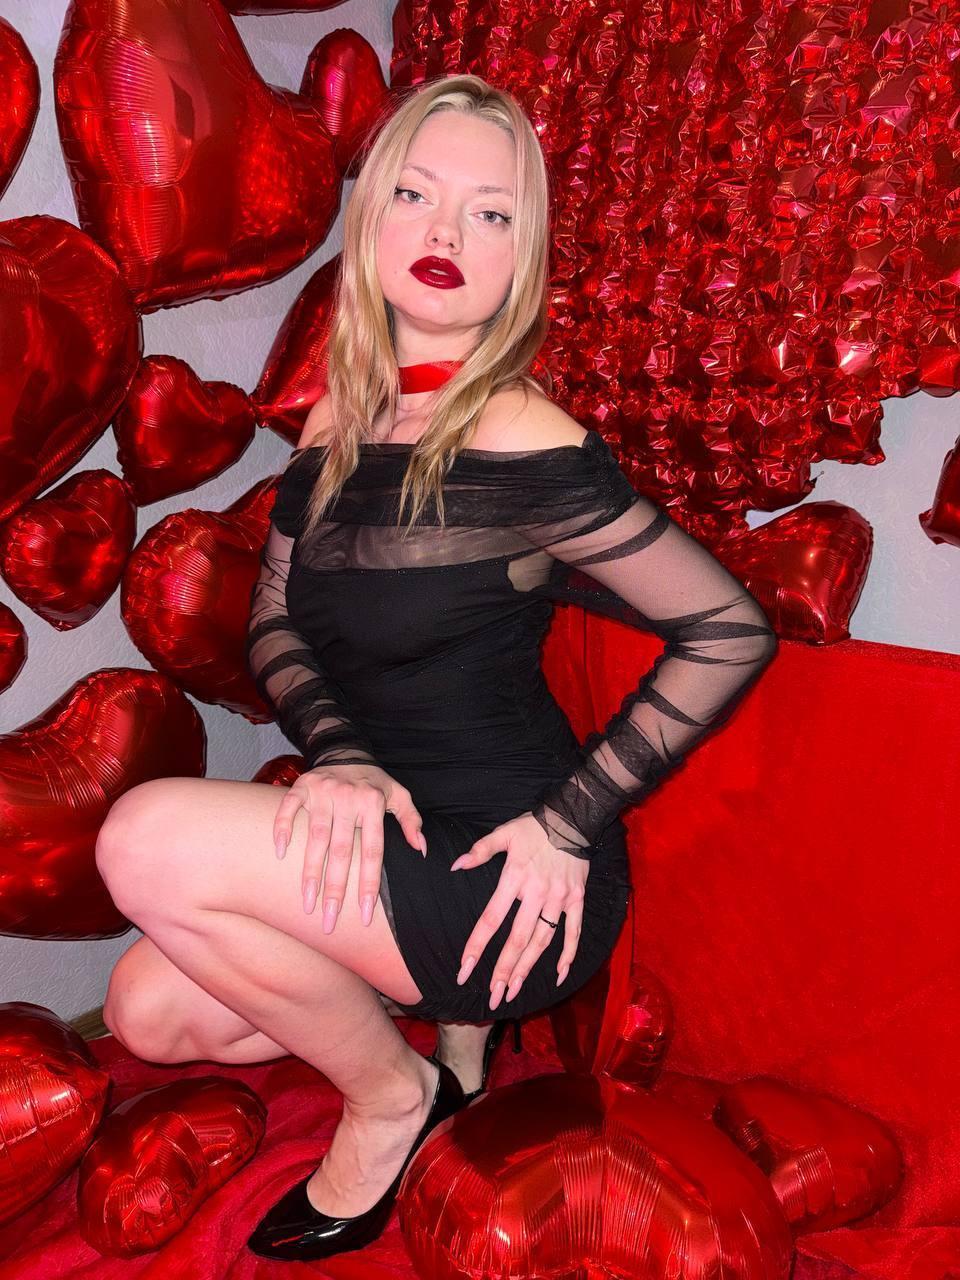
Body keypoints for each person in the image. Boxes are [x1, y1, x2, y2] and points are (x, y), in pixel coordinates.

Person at [94, 73, 778, 1262]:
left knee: (139, 839)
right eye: (414, 193)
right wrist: (343, 755)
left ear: (522, 257)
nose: (448, 232)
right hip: (384, 832)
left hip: (508, 872)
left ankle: (390, 1096)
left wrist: (570, 820)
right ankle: (432, 1024)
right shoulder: (338, 425)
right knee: (142, 1010)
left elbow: (729, 627)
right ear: (372, 220)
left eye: (490, 211)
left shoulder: (524, 433)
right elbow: (274, 624)